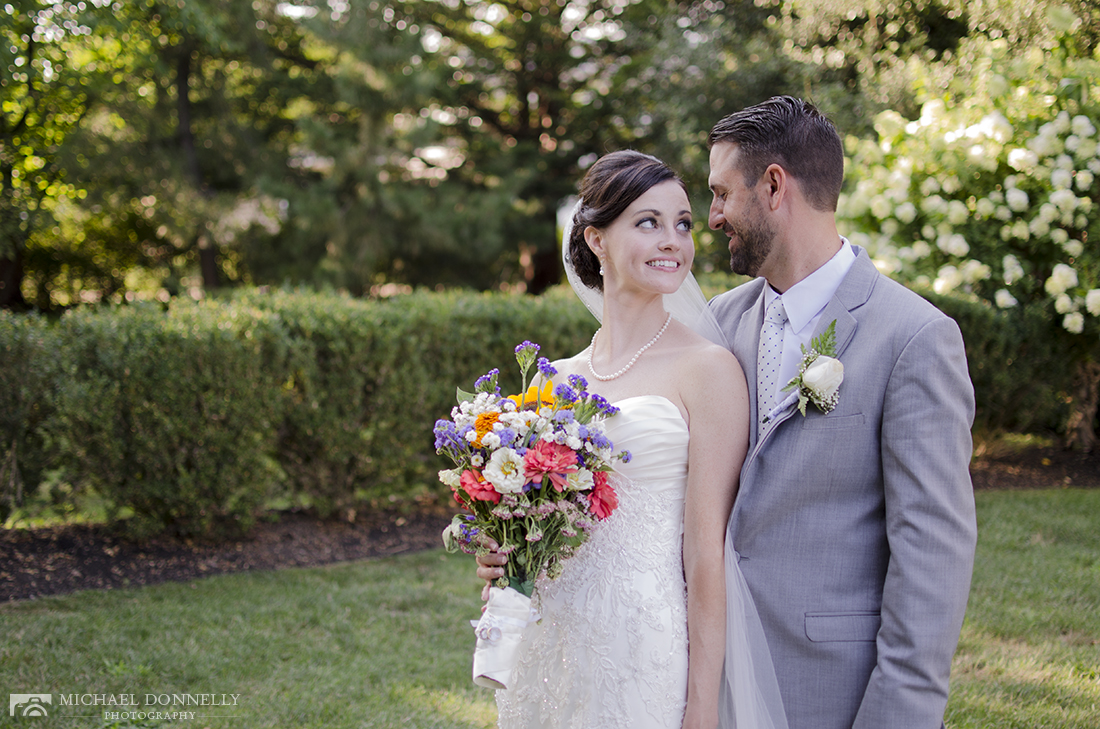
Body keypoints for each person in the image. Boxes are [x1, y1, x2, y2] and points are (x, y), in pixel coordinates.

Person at [479, 150, 788, 729]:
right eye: (648, 222)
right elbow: (540, 522)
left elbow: (706, 553)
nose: (673, 240)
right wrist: (508, 556)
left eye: (683, 223)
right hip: (551, 642)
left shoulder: (709, 369)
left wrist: (702, 708)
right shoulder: (554, 380)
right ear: (596, 240)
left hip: (646, 642)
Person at [706, 96, 977, 729]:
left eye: (721, 193)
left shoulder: (913, 338)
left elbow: (931, 552)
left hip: (833, 687)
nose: (713, 216)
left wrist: (899, 717)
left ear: (774, 185)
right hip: (713, 678)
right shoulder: (719, 323)